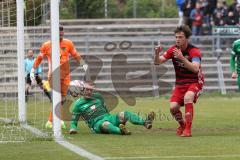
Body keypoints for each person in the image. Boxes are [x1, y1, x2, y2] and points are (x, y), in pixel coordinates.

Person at [30, 25, 88, 129]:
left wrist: (84, 65)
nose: (61, 35)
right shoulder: (46, 45)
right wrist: (33, 70)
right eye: (59, 33)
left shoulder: (68, 43)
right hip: (53, 75)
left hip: (66, 76)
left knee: (63, 99)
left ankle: (53, 120)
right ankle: (54, 121)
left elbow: (75, 55)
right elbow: (39, 58)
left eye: (62, 33)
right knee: (56, 98)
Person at [154, 25, 204, 137]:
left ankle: (187, 130)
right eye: (176, 37)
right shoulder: (173, 50)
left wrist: (182, 58)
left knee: (188, 97)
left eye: (180, 37)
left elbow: (196, 68)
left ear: (186, 38)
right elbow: (158, 62)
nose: (177, 39)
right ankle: (182, 124)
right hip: (180, 83)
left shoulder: (194, 51)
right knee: (173, 108)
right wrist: (157, 54)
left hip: (195, 81)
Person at [68, 80, 156, 135]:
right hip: (96, 124)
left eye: (92, 90)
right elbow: (74, 121)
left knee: (125, 114)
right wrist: (73, 129)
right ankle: (120, 131)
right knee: (105, 124)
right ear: (82, 89)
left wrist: (113, 119)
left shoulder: (98, 96)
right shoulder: (78, 104)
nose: (90, 92)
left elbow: (105, 109)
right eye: (88, 89)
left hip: (108, 117)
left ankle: (145, 122)